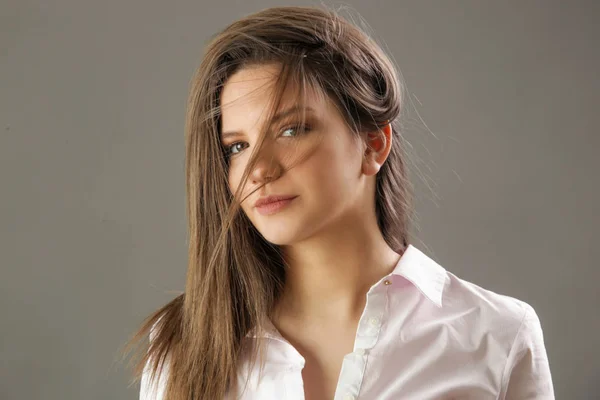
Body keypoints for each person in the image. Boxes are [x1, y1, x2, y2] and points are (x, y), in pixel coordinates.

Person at [125, 5, 554, 399]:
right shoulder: (184, 346)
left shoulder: (497, 335)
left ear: (373, 144)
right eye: (236, 147)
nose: (259, 170)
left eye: (291, 130)